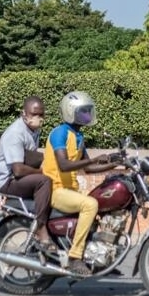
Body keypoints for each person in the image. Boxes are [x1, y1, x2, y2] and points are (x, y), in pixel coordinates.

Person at [41, 91, 120, 276]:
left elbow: (89, 168)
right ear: (70, 112)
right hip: (55, 189)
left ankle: (97, 258)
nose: (87, 115)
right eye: (83, 111)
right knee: (90, 204)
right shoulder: (59, 133)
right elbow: (64, 164)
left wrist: (114, 163)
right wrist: (95, 160)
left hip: (70, 190)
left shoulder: (78, 136)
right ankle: (75, 258)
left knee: (100, 204)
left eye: (88, 111)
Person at [0, 96, 56, 252]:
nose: (38, 118)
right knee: (44, 181)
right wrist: (43, 171)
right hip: (10, 182)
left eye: (41, 115)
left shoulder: (33, 131)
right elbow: (18, 170)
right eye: (34, 114)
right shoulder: (15, 133)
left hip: (22, 179)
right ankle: (41, 229)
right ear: (24, 114)